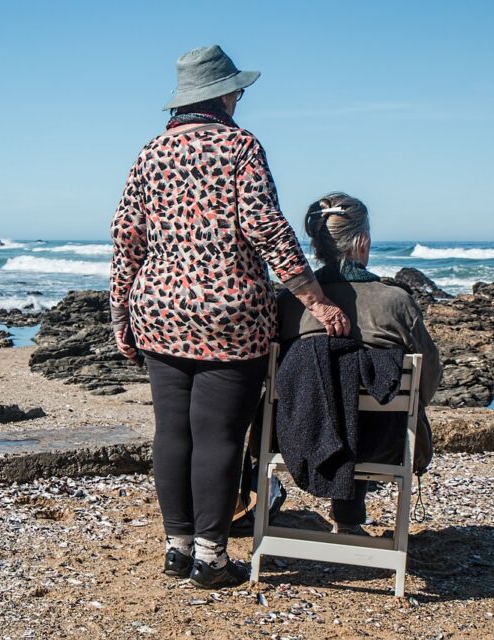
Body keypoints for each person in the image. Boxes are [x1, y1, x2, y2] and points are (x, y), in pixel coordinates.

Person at [110, 45, 351, 588]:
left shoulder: (151, 152)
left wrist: (120, 313)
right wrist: (315, 299)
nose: (240, 98)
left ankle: (176, 548)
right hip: (230, 313)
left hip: (160, 308)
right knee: (218, 435)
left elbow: (126, 237)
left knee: (172, 432)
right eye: (237, 90)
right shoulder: (240, 146)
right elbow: (267, 228)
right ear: (222, 94)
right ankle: (210, 558)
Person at [276, 192, 442, 534]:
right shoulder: (395, 301)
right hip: (383, 443)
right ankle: (349, 520)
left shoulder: (290, 303)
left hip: (296, 437)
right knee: (367, 408)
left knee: (331, 396)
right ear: (362, 241)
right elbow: (429, 377)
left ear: (318, 244)